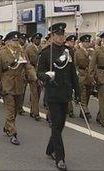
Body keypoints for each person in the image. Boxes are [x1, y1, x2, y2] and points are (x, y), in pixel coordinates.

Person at [37, 22, 79, 171]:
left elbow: (73, 73)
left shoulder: (69, 51)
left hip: (65, 93)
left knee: (61, 124)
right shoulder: (45, 52)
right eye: (58, 35)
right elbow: (39, 73)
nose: (61, 38)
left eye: (63, 35)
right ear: (52, 36)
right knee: (56, 125)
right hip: (53, 93)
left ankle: (50, 148)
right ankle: (60, 158)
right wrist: (46, 76)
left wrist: (77, 92)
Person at [0, 31, 37, 145]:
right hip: (7, 85)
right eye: (14, 40)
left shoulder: (21, 52)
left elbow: (28, 66)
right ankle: (13, 133)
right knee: (10, 109)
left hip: (19, 85)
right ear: (8, 42)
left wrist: (35, 77)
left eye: (17, 41)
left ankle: (7, 126)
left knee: (16, 109)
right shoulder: (2, 53)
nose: (16, 42)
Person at [74, 34, 93, 121]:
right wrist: (76, 73)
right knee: (83, 94)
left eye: (88, 42)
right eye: (85, 42)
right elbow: (75, 64)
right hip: (81, 74)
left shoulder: (92, 52)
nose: (87, 43)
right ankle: (86, 111)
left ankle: (83, 112)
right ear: (81, 43)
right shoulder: (78, 52)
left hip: (89, 75)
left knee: (88, 94)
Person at [26, 33, 43, 121]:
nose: (38, 40)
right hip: (32, 72)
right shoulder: (29, 48)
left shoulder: (41, 48)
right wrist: (33, 74)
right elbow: (28, 63)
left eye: (39, 39)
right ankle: (36, 112)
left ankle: (33, 110)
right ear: (33, 40)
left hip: (40, 72)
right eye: (36, 39)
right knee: (34, 92)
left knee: (39, 92)